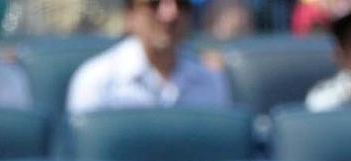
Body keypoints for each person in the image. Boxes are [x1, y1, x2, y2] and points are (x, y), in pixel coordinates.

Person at [66, 0, 231, 114]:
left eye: (181, 3)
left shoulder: (211, 81)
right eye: (154, 3)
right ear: (130, 15)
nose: (170, 14)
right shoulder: (96, 81)